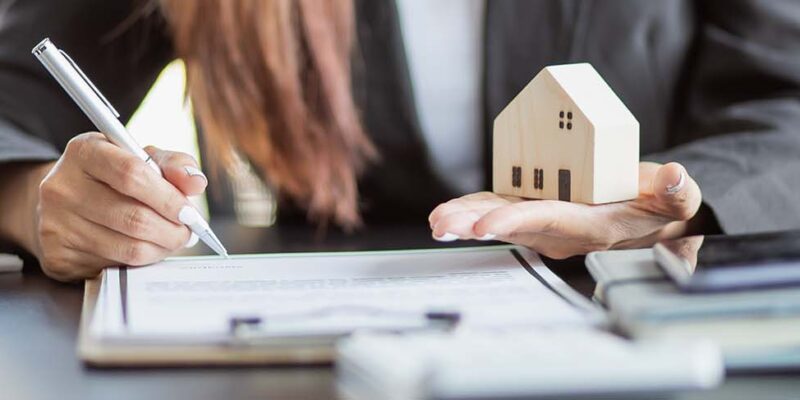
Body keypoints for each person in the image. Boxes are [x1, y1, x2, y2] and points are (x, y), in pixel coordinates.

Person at [0, 0, 798, 281]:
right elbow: (14, 98)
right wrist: (35, 201)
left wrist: (680, 206)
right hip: (304, 335)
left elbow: (786, 97)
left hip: (631, 305)